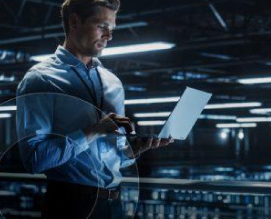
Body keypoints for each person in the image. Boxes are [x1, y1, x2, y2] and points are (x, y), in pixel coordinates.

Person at [16, 0, 172, 218]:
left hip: (114, 204)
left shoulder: (113, 83)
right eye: (102, 26)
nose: (109, 36)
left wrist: (131, 152)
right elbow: (34, 159)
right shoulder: (40, 79)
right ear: (74, 22)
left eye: (112, 29)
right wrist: (94, 130)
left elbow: (111, 155)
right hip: (69, 205)